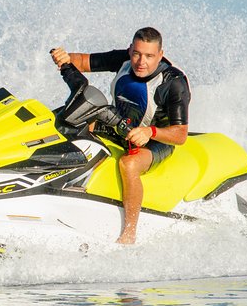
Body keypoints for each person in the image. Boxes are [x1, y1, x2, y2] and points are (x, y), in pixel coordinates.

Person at [50, 27, 190, 244]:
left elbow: (180, 135)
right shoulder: (123, 60)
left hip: (156, 140)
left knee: (129, 164)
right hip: (120, 127)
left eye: (149, 56)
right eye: (137, 54)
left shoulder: (173, 83)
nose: (141, 61)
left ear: (160, 55)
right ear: (130, 49)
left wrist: (149, 132)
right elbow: (84, 62)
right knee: (66, 121)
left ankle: (129, 233)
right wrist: (64, 58)